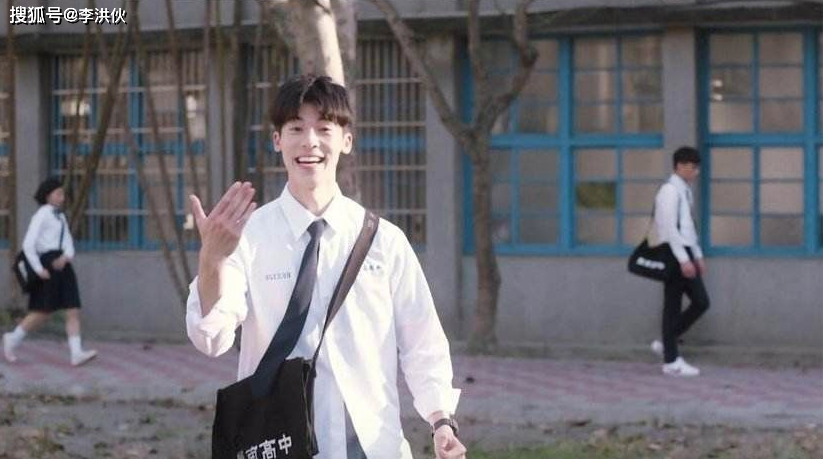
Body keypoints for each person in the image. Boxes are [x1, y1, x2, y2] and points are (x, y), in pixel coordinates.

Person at [186, 75, 466, 459]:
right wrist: (211, 261)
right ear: (277, 140)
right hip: (281, 443)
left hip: (373, 445)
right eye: (296, 128)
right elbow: (210, 338)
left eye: (323, 128)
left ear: (346, 141)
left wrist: (441, 420)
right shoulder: (248, 237)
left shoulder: (383, 240)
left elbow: (422, 340)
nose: (310, 142)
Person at [3, 177, 98, 366]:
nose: (62, 197)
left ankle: (76, 353)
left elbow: (68, 241)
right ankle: (12, 339)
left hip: (63, 265)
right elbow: (28, 245)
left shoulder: (60, 216)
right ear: (48, 196)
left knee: (73, 308)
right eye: (58, 193)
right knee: (43, 311)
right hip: (46, 263)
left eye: (62, 193)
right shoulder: (42, 215)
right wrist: (39, 270)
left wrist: (66, 257)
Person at [649, 146, 710, 377]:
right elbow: (669, 229)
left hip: (685, 251)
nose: (696, 172)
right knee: (673, 305)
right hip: (674, 253)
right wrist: (684, 259)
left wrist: (698, 255)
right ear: (680, 166)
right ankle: (671, 361)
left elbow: (688, 227)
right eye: (693, 167)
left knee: (700, 302)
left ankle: (667, 343)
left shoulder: (684, 190)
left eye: (697, 168)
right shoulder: (669, 191)